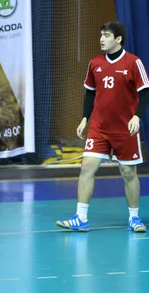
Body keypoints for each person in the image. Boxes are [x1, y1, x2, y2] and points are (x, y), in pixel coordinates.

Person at [57, 21, 149, 232]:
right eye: (101, 35)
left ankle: (134, 218)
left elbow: (145, 92)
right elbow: (90, 92)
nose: (101, 39)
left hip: (125, 129)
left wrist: (137, 117)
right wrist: (84, 119)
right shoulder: (95, 63)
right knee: (87, 167)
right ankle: (81, 217)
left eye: (106, 35)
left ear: (118, 39)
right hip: (99, 127)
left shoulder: (133, 63)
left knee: (128, 172)